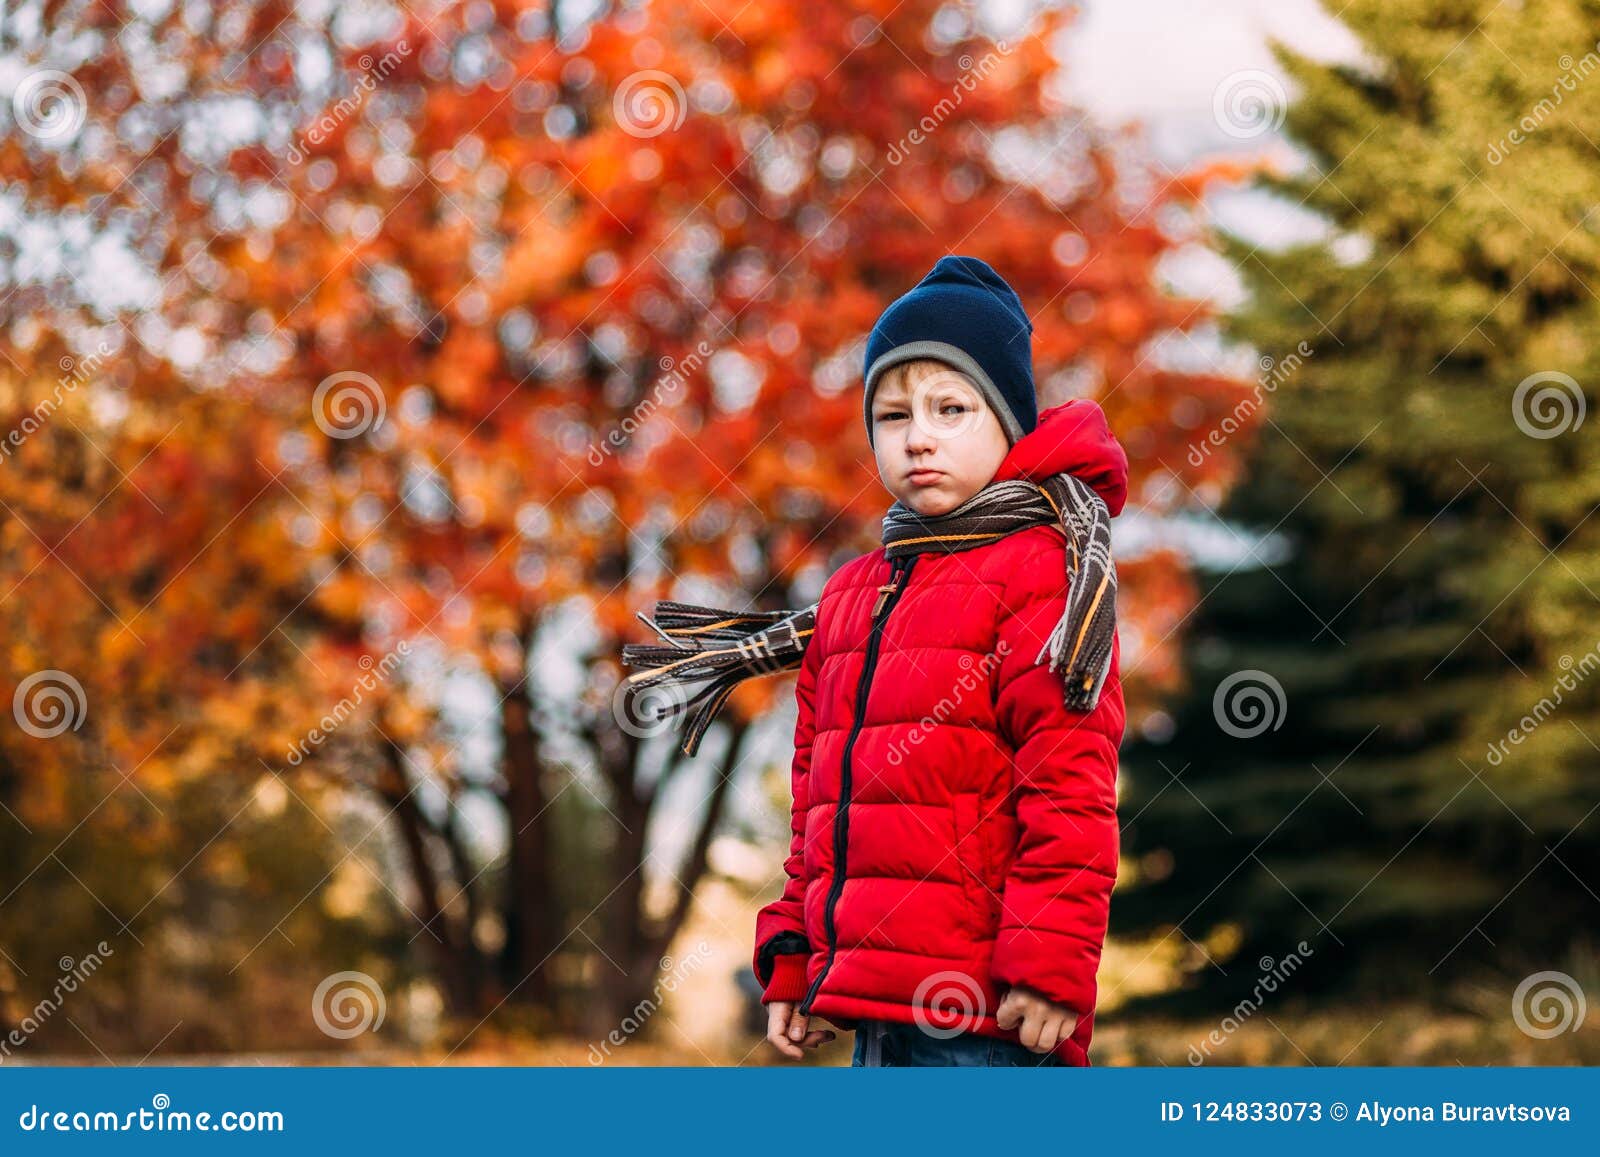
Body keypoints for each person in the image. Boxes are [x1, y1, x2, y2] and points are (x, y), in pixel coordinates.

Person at [624, 255, 1129, 1066]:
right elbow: (816, 807)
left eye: (951, 407)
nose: (918, 434)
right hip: (878, 1008)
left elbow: (1071, 789)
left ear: (1010, 422)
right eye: (893, 415)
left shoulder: (1042, 574)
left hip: (990, 1015)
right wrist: (793, 958)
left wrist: (1048, 962)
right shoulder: (856, 594)